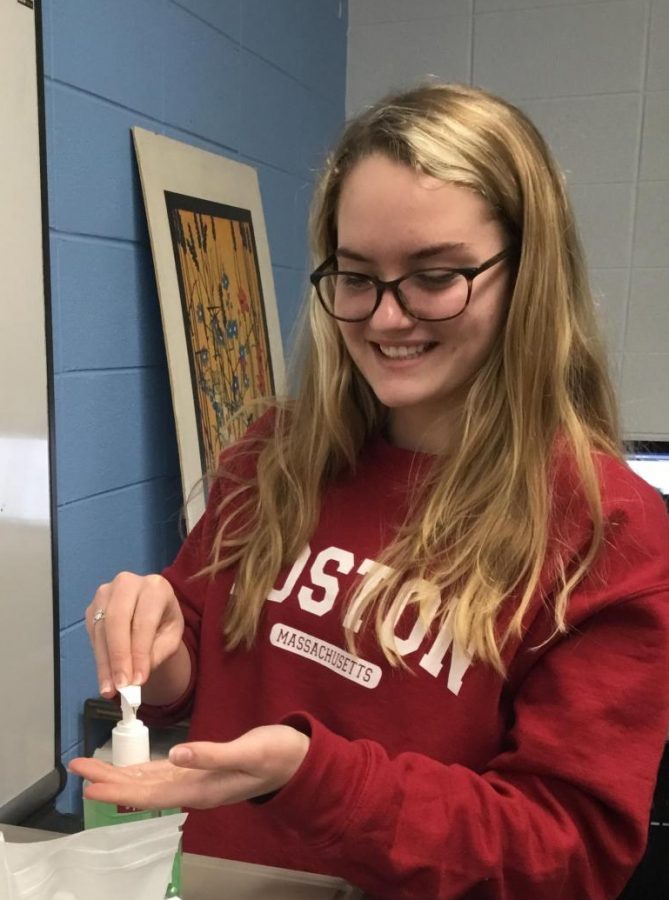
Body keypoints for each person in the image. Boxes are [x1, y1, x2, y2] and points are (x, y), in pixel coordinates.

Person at [69, 83, 669, 899]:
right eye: (356, 277)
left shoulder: (608, 532)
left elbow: (567, 854)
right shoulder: (274, 455)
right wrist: (159, 648)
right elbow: (204, 659)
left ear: (527, 275)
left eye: (434, 276)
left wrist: (312, 777)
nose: (386, 319)